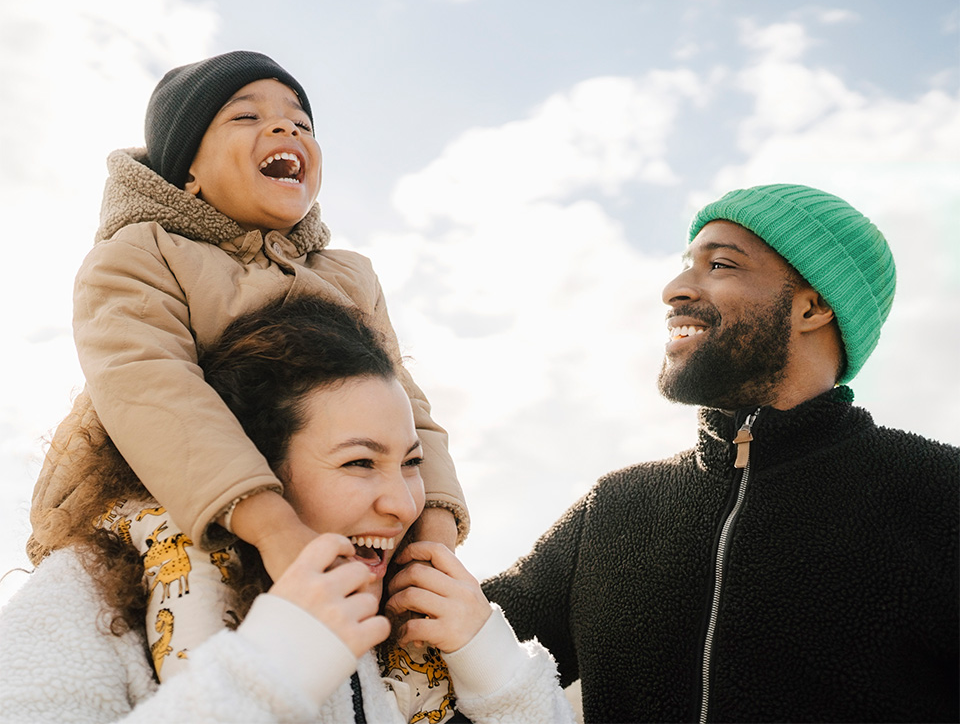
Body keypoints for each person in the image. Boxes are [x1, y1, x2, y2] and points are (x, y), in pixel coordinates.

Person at [483, 183, 959, 724]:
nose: (674, 289)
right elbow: (439, 654)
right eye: (688, 264)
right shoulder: (614, 509)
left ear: (814, 306)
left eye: (721, 265)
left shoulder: (940, 494)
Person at [0, 295, 574, 724]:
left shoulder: (411, 636)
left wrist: (498, 675)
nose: (402, 505)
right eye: (358, 463)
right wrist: (272, 670)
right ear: (256, 468)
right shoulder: (84, 594)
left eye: (411, 462)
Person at [28, 50, 466, 597]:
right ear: (188, 168)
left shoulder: (349, 278)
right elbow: (150, 389)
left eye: (300, 122)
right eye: (246, 116)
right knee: (190, 584)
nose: (284, 125)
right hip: (163, 492)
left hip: (329, 504)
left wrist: (435, 536)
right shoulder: (140, 254)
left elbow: (405, 409)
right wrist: (273, 527)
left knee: (416, 635)